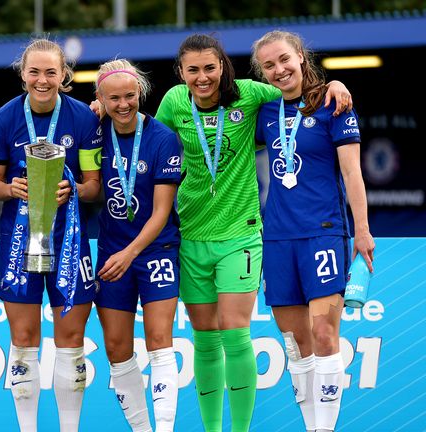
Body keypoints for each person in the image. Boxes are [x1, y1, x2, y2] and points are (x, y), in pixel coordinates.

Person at [154, 33, 352, 432]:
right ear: (181, 73)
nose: (203, 77)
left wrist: (334, 83)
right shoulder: (173, 102)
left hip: (242, 232)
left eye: (210, 67)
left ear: (224, 67)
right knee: (205, 337)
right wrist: (101, 110)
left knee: (235, 330)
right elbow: (147, 141)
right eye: (193, 70)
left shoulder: (250, 93)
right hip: (191, 233)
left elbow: (297, 92)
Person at [251, 30, 374, 432]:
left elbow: (353, 173)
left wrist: (362, 230)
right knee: (295, 344)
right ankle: (311, 425)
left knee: (324, 333)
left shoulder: (333, 103)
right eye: (268, 65)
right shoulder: (265, 110)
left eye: (285, 59)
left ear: (301, 56)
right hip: (277, 239)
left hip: (323, 233)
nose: (279, 69)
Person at [0, 38, 102, 432]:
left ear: (64, 75)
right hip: (20, 244)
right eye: (34, 71)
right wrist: (10, 190)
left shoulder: (83, 118)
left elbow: (93, 185)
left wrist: (76, 190)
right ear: (22, 75)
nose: (42, 79)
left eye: (51, 71)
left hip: (70, 242)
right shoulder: (3, 119)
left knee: (71, 337)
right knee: (23, 336)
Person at [93, 59, 182, 432]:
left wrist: (129, 254)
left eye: (130, 96)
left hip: (155, 250)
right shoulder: (93, 131)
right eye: (113, 98)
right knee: (116, 348)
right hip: (113, 253)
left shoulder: (163, 138)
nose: (123, 104)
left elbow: (161, 212)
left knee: (160, 341)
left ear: (141, 93)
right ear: (99, 98)